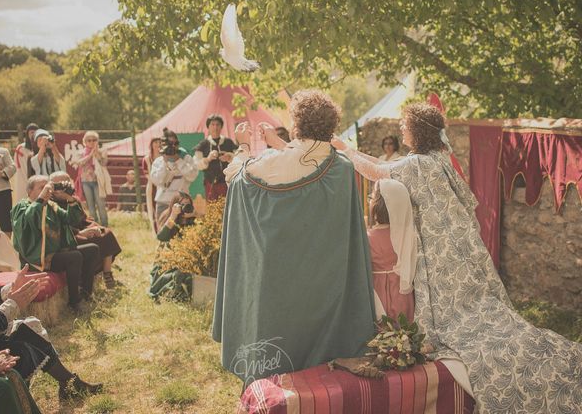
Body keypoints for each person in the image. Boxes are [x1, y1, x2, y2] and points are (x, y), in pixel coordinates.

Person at [332, 102, 582, 413]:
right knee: (482, 308)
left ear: (417, 130)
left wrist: (343, 149)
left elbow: (376, 171)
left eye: (404, 125)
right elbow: (387, 166)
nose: (400, 129)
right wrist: (351, 150)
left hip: (438, 251)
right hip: (459, 245)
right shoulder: (436, 159)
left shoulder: (418, 165)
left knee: (460, 324)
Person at [214, 89, 376, 387]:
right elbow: (305, 158)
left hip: (275, 284)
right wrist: (279, 144)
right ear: (330, 125)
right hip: (324, 284)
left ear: (296, 124)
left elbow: (235, 178)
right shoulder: (341, 167)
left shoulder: (268, 164)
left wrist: (243, 146)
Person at [0, 207, 103, 400]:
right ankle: (47, 391)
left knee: (30, 332)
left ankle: (68, 384)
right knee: (24, 349)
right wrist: (13, 303)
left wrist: (10, 288)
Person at [11, 175, 101, 311]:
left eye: (48, 186)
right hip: (38, 259)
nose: (47, 189)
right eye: (41, 187)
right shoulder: (21, 206)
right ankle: (74, 302)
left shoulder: (51, 206)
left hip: (56, 254)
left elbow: (72, 220)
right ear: (29, 191)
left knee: (92, 249)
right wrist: (41, 198)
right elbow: (30, 218)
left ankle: (86, 294)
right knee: (74, 256)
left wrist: (69, 198)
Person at [50, 171, 121, 289]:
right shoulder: (50, 203)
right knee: (92, 245)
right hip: (67, 237)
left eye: (64, 184)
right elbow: (57, 227)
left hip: (80, 229)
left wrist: (95, 228)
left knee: (106, 234)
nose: (61, 188)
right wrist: (80, 233)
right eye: (57, 185)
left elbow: (83, 219)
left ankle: (107, 274)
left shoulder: (73, 199)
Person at [366, 179, 415, 322]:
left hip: (377, 292)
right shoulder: (407, 235)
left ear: (377, 205)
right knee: (405, 331)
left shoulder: (367, 237)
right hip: (402, 292)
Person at [148, 192, 196, 301]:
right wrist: (173, 216)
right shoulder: (169, 217)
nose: (185, 207)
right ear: (175, 205)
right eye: (182, 205)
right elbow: (161, 237)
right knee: (176, 274)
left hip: (187, 257)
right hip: (169, 259)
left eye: (188, 204)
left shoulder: (192, 219)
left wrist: (195, 215)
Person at [150, 128, 198, 223]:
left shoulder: (186, 158)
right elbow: (157, 180)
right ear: (163, 145)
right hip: (163, 202)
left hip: (182, 202)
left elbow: (192, 176)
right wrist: (165, 161)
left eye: (175, 144)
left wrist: (178, 160)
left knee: (183, 234)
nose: (173, 147)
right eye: (169, 144)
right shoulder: (159, 161)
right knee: (164, 234)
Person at [194, 115, 237, 200]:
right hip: (210, 183)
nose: (215, 127)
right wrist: (208, 159)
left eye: (218, 124)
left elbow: (240, 159)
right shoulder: (203, 144)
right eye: (212, 124)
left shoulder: (229, 142)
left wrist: (230, 157)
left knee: (227, 207)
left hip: (227, 182)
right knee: (212, 209)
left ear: (221, 127)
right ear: (208, 127)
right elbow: (196, 164)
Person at [72, 131, 111, 227]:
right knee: (91, 206)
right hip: (86, 182)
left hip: (98, 182)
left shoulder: (102, 151)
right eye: (89, 140)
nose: (92, 142)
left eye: (94, 140)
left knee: (101, 205)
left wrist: (96, 153)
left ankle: (105, 226)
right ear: (85, 141)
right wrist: (90, 155)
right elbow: (79, 163)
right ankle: (95, 226)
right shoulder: (81, 152)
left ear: (97, 141)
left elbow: (104, 163)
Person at [13, 123, 38, 204]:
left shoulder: (41, 148)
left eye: (35, 132)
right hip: (23, 180)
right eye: (31, 132)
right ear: (27, 134)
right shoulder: (21, 148)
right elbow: (21, 168)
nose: (33, 134)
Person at [142, 138, 161, 234]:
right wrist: (154, 181)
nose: (157, 144)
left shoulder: (164, 156)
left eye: (159, 142)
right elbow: (146, 173)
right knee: (153, 208)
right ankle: (156, 232)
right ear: (151, 144)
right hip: (152, 186)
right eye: (155, 142)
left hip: (163, 186)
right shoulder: (146, 159)